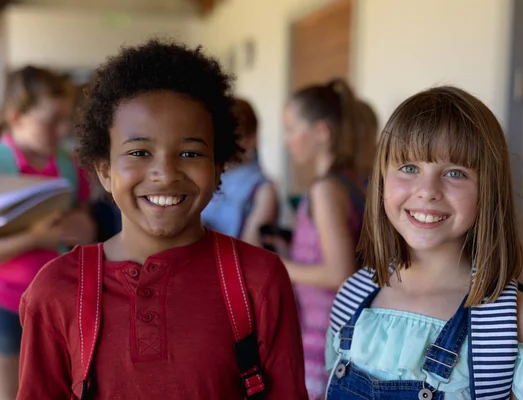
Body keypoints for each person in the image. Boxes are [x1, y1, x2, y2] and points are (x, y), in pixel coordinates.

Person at [17, 40, 308, 400]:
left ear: (218, 169)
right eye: (139, 152)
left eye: (190, 152)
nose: (165, 173)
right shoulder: (57, 289)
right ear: (105, 171)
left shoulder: (258, 280)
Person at [325, 86, 523, 399]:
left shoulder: (515, 323)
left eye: (455, 172)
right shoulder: (353, 296)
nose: (427, 191)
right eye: (409, 168)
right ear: (381, 178)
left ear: (487, 190)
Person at [0, 66, 95, 399]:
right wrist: (39, 237)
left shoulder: (69, 166)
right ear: (17, 118)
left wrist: (82, 229)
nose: (61, 130)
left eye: (65, 120)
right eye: (50, 121)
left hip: (59, 301)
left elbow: (86, 231)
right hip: (6, 302)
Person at [274, 78, 366, 399]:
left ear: (322, 132)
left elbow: (338, 272)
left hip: (324, 333)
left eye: (291, 128)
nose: (286, 140)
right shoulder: (351, 180)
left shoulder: (326, 190)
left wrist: (278, 265)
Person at [202, 98, 278, 246]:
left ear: (251, 139)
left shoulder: (263, 191)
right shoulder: (204, 178)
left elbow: (249, 253)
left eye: (233, 138)